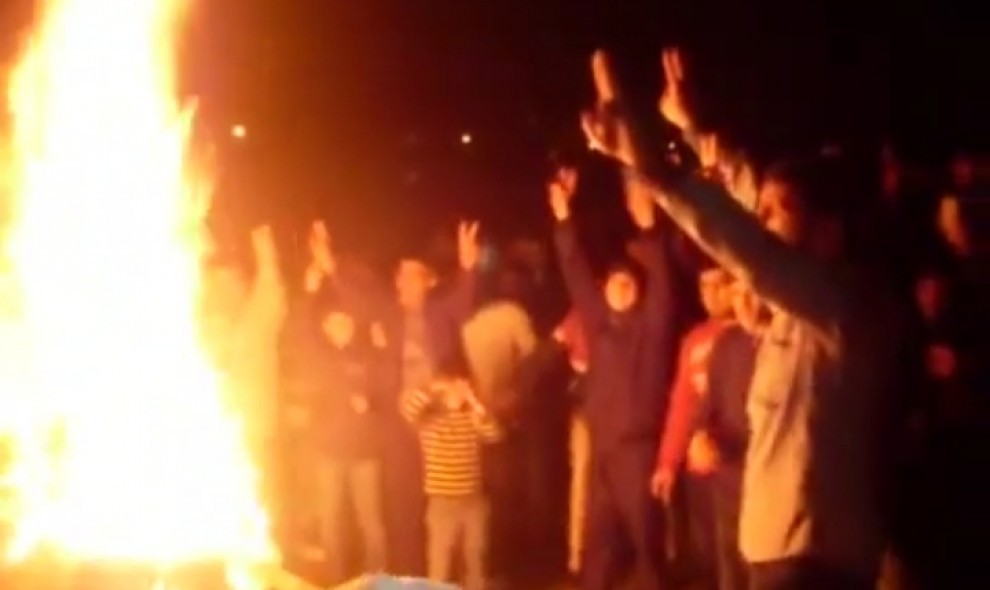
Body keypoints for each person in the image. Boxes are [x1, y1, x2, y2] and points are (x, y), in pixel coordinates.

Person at [582, 48, 907, 590]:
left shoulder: (842, 307)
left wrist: (652, 166)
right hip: (777, 555)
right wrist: (693, 132)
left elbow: (747, 247)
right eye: (764, 211)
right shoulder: (800, 314)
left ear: (829, 234)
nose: (764, 220)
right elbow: (752, 224)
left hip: (814, 567)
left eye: (780, 211)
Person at [549, 165, 676, 590]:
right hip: (603, 452)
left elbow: (663, 282)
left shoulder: (651, 328)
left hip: (637, 454)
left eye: (628, 284)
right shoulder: (599, 325)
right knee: (597, 551)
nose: (620, 289)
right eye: (614, 283)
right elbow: (576, 272)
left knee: (648, 551)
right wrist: (564, 218)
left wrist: (649, 226)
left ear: (638, 292)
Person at [375, 221, 482, 576]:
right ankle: (408, 576)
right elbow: (359, 302)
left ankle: (446, 576)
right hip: (404, 424)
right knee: (403, 505)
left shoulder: (441, 311)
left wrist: (468, 267)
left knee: (443, 508)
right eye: (400, 275)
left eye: (411, 276)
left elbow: (463, 301)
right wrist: (330, 271)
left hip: (439, 423)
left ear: (429, 282)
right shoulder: (390, 316)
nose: (402, 283)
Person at [650, 265, 734, 586]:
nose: (711, 294)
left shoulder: (753, 334)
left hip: (737, 464)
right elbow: (681, 404)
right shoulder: (695, 341)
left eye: (719, 284)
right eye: (704, 286)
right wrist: (668, 462)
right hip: (700, 468)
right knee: (708, 552)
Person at [689, 280, 765, 590]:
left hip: (769, 486)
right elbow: (709, 406)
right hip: (729, 480)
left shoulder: (786, 345)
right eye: (737, 294)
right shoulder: (727, 343)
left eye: (752, 294)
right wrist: (700, 436)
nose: (744, 304)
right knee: (731, 573)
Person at [400, 364, 503, 590]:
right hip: (442, 503)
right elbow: (409, 410)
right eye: (454, 388)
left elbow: (494, 433)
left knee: (476, 562)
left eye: (462, 387)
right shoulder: (430, 421)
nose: (458, 392)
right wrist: (436, 387)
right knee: (440, 567)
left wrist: (473, 400)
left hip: (473, 502)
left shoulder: (471, 418)